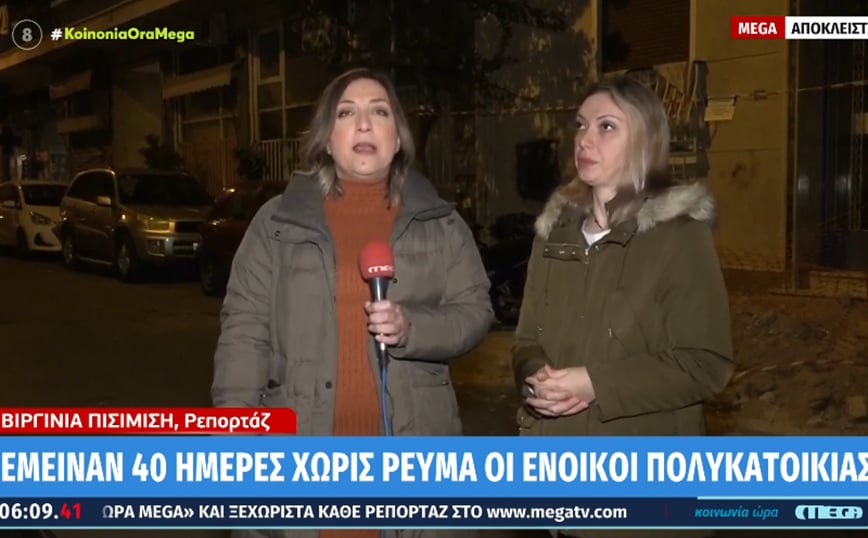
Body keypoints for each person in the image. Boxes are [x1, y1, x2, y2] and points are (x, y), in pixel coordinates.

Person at [212, 67, 492, 538]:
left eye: (379, 112)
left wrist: (412, 328)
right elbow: (244, 334)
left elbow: (475, 310)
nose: (364, 124)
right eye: (346, 113)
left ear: (397, 139)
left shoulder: (439, 223)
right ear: (326, 137)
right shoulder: (276, 224)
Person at [512, 75, 734, 538]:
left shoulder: (679, 237)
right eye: (581, 125)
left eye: (607, 127)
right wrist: (536, 377)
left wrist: (596, 383)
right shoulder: (554, 236)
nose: (585, 139)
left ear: (645, 141)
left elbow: (705, 363)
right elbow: (525, 339)